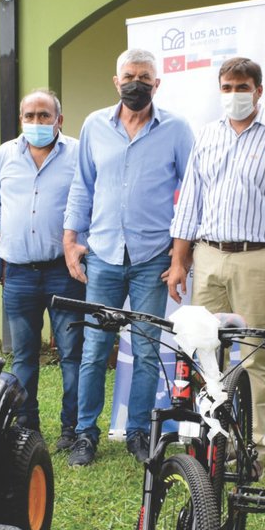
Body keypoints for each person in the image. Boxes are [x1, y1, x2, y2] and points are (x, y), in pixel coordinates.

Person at [166, 56, 265, 450]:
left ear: (259, 91)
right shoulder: (207, 136)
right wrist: (179, 261)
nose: (234, 95)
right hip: (208, 255)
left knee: (254, 355)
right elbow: (190, 203)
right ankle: (209, 434)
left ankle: (256, 441)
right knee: (201, 346)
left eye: (242, 87)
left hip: (258, 259)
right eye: (226, 88)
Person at [62, 48, 194, 467]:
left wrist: (180, 260)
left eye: (144, 77)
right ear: (116, 81)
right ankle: (85, 434)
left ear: (157, 83)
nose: (136, 83)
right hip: (102, 256)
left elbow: (190, 197)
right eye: (129, 76)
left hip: (152, 259)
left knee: (147, 349)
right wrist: (70, 239)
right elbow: (82, 186)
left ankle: (139, 432)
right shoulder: (94, 126)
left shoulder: (176, 129)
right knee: (95, 349)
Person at [0, 89, 83, 449]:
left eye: (45, 116)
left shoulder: (76, 153)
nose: (37, 122)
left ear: (59, 119)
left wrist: (75, 244)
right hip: (18, 273)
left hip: (64, 271)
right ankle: (27, 424)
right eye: (30, 116)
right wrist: (10, 239)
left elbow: (87, 201)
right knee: (24, 355)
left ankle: (71, 430)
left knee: (71, 353)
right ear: (21, 120)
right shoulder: (4, 156)